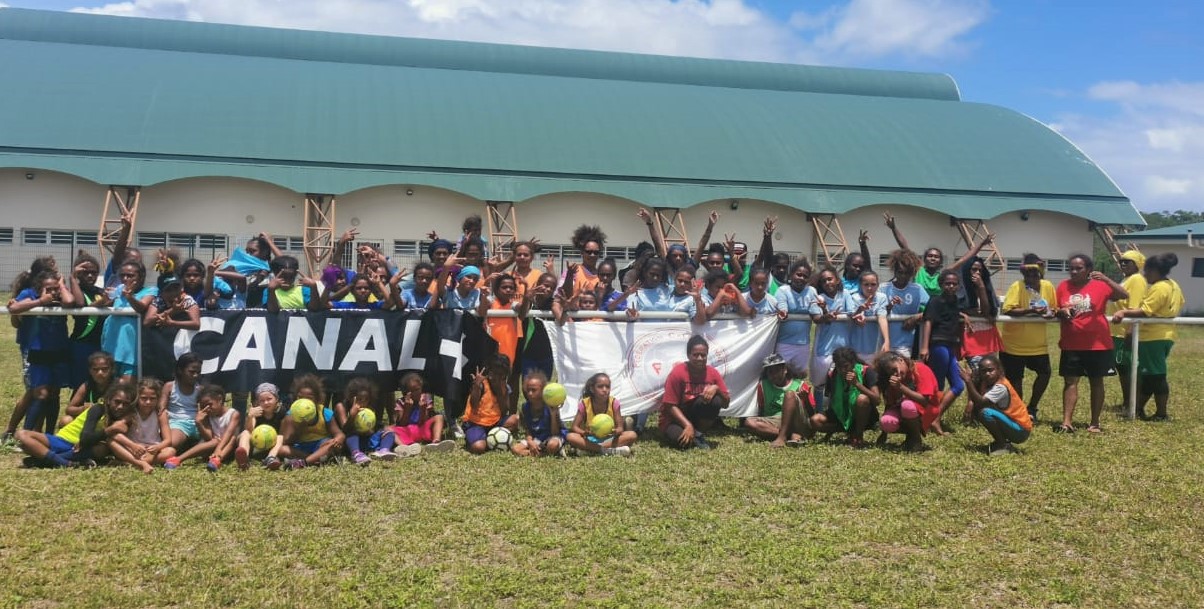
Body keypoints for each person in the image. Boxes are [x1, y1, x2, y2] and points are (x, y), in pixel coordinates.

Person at [1053, 254, 1127, 434]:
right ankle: (1067, 422)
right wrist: (1061, 311)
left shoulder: (1100, 286)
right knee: (1070, 381)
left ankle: (1094, 423)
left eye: (1079, 268)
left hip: (1097, 343)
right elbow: (1055, 308)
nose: (1074, 271)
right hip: (1071, 342)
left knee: (1096, 381)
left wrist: (1106, 279)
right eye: (1071, 268)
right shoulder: (1063, 286)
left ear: (1088, 270)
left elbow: (1123, 294)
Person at [1111, 252, 1185, 421]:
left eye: (1147, 272)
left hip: (1153, 337)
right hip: (1165, 335)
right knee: (1149, 375)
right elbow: (1180, 302)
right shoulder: (1173, 285)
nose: (1145, 275)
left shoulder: (1159, 287)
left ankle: (1161, 414)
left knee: (1156, 376)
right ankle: (1137, 409)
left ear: (1156, 271)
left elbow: (1145, 310)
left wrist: (1123, 311)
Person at [8, 268, 75, 434]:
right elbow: (14, 308)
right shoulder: (31, 296)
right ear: (39, 288)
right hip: (38, 352)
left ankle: (49, 434)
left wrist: (62, 286)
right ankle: (26, 433)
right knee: (40, 393)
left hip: (59, 351)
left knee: (54, 394)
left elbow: (69, 302)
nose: (53, 292)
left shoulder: (61, 298)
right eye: (48, 288)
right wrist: (41, 301)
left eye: (55, 288)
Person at [16, 381, 133, 468]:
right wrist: (110, 430)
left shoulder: (123, 417)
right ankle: (66, 463)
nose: (120, 407)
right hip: (63, 440)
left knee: (103, 449)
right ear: (108, 400)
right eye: (117, 402)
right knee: (22, 436)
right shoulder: (98, 408)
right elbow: (85, 437)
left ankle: (43, 461)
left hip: (82, 449)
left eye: (125, 404)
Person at [883, 211, 993, 298]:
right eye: (930, 256)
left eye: (936, 257)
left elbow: (964, 259)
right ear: (924, 259)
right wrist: (893, 228)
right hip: (918, 315)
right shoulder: (919, 270)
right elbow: (905, 247)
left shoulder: (944, 274)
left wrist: (981, 244)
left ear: (940, 261)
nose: (933, 258)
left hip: (937, 314)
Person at [1000, 254, 1057, 421]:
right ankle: (1019, 411)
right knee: (1016, 379)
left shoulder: (1047, 286)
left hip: (1038, 344)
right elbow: (1008, 309)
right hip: (1014, 344)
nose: (1031, 277)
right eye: (1027, 274)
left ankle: (1032, 407)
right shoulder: (1016, 286)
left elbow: (1054, 307)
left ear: (1041, 273)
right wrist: (1031, 311)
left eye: (1035, 274)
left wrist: (1051, 313)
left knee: (1045, 373)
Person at [658, 335, 730, 450]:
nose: (700, 358)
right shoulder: (677, 373)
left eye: (703, 355)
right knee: (683, 443)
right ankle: (688, 433)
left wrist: (716, 389)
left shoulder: (713, 373)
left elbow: (726, 404)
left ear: (707, 355)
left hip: (693, 415)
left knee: (715, 400)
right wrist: (687, 425)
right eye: (695, 355)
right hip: (673, 419)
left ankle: (698, 434)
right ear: (688, 355)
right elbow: (669, 405)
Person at [919, 270, 965, 435]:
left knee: (959, 385)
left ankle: (935, 418)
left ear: (958, 285)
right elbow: (928, 322)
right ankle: (929, 420)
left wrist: (963, 315)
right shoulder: (935, 301)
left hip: (951, 345)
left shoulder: (956, 302)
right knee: (937, 386)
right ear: (941, 285)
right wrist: (924, 347)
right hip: (938, 345)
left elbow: (953, 315)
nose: (951, 286)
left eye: (954, 283)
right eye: (947, 283)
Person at [960, 355, 1032, 455]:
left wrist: (968, 381)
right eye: (983, 371)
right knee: (981, 410)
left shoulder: (1000, 387)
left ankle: (1003, 445)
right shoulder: (987, 382)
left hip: (1021, 430)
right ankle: (1001, 442)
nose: (987, 374)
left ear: (999, 369)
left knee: (985, 413)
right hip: (1013, 423)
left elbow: (981, 402)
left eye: (991, 370)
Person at [811, 347, 880, 447]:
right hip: (841, 415)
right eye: (839, 367)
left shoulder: (866, 372)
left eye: (846, 366)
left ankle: (858, 434)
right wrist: (829, 433)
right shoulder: (832, 375)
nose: (843, 370)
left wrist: (857, 384)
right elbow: (832, 402)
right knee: (815, 420)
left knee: (862, 399)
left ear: (853, 363)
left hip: (864, 415)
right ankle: (850, 431)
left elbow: (877, 400)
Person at [1106, 249, 1149, 409]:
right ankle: (1127, 402)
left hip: (1125, 332)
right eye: (1121, 261)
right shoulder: (1126, 279)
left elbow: (1135, 307)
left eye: (1127, 261)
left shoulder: (1137, 279)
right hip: (1116, 331)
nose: (1123, 263)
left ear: (1137, 264)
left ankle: (1132, 404)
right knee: (1122, 368)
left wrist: (1130, 332)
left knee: (1128, 370)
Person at [106, 378, 175, 473]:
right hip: (133, 449)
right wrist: (133, 445)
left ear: (158, 398)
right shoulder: (132, 413)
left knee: (170, 451)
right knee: (111, 441)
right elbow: (115, 432)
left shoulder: (160, 414)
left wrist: (157, 448)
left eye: (152, 399)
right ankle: (140, 463)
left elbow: (168, 440)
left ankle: (129, 462)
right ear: (137, 398)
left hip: (152, 450)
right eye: (144, 398)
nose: (148, 402)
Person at [874, 352, 939, 452]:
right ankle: (910, 436)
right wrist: (884, 433)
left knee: (907, 405)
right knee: (886, 422)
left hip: (927, 409)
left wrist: (901, 387)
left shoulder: (920, 369)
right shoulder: (892, 380)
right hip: (904, 411)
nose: (895, 374)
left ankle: (916, 440)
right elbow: (890, 404)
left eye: (895, 369)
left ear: (901, 360)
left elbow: (924, 401)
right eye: (891, 372)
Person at [745, 353, 812, 448]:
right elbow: (762, 409)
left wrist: (805, 400)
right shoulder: (763, 385)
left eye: (776, 371)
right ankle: (790, 435)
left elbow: (812, 415)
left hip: (797, 422)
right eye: (770, 372)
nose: (774, 375)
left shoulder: (800, 385)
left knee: (789, 395)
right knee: (749, 422)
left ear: (785, 370)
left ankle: (782, 438)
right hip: (776, 421)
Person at [66, 250, 111, 388]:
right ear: (78, 273)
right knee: (81, 384)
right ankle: (77, 409)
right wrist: (72, 278)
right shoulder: (75, 289)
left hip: (100, 345)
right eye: (85, 272)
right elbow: (80, 304)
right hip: (81, 344)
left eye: (94, 272)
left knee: (99, 384)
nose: (90, 275)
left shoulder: (100, 291)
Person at [808, 266, 850, 409]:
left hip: (842, 347)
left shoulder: (845, 295)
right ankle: (818, 411)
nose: (827, 283)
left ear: (837, 280)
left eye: (830, 279)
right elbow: (817, 318)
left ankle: (835, 412)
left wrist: (860, 313)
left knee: (840, 381)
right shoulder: (819, 298)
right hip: (824, 348)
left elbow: (852, 312)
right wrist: (826, 313)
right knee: (820, 383)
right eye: (823, 281)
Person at [566, 372, 636, 456]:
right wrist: (585, 433)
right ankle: (610, 450)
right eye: (600, 386)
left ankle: (591, 450)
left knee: (632, 435)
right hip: (590, 438)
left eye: (607, 387)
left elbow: (620, 428)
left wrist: (615, 432)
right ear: (592, 389)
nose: (604, 389)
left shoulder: (614, 403)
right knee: (570, 436)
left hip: (609, 438)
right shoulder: (585, 404)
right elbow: (574, 427)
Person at [463, 353, 520, 454]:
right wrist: (476, 386)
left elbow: (504, 411)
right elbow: (473, 405)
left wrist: (499, 392)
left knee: (515, 419)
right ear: (489, 372)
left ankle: (489, 437)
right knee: (478, 448)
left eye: (501, 376)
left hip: (494, 422)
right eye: (495, 374)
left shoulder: (505, 388)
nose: (497, 378)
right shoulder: (481, 384)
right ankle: (480, 439)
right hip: (476, 423)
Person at [390, 371, 455, 456]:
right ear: (405, 392)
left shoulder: (426, 399)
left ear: (421, 388)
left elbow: (423, 422)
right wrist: (407, 409)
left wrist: (423, 409)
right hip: (407, 432)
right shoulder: (401, 402)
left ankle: (436, 442)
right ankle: (404, 447)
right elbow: (402, 424)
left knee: (439, 417)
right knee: (389, 429)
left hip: (422, 430)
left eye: (417, 390)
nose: (415, 393)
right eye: (411, 391)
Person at [279, 394, 345, 470]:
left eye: (309, 398)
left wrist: (338, 438)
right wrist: (299, 426)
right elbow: (286, 441)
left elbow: (339, 434)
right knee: (282, 449)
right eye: (301, 398)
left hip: (321, 445)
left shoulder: (324, 412)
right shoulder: (292, 414)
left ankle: (304, 462)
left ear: (317, 399)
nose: (305, 401)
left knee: (332, 444)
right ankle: (315, 459)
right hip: (301, 448)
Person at [881, 248, 927, 358]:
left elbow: (933, 308)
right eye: (900, 272)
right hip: (884, 342)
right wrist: (890, 305)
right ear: (894, 271)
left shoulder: (917, 289)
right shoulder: (883, 288)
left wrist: (917, 317)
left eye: (907, 273)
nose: (903, 276)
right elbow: (877, 312)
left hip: (906, 344)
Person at [774, 260, 815, 376]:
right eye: (799, 274)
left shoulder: (811, 291)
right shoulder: (783, 291)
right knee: (781, 376)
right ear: (791, 274)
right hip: (783, 343)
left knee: (800, 376)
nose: (801, 278)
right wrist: (783, 313)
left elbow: (816, 311)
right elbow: (782, 308)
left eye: (805, 276)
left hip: (803, 344)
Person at [334, 377, 386, 466]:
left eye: (366, 399)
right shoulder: (341, 407)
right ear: (350, 398)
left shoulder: (368, 408)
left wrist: (369, 430)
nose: (362, 402)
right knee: (352, 434)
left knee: (387, 432)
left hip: (364, 438)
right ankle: (356, 454)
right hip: (348, 441)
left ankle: (384, 451)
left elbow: (371, 427)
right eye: (359, 399)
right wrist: (352, 415)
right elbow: (345, 430)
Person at [235, 382, 288, 470]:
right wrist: (250, 416)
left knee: (280, 437)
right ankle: (244, 459)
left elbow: (282, 432)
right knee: (245, 433)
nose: (266, 402)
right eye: (262, 400)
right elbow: (249, 430)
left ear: (276, 399)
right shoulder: (256, 412)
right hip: (255, 443)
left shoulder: (281, 412)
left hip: (271, 444)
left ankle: (270, 458)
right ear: (257, 402)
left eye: (269, 399)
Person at [512, 371, 565, 457]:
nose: (530, 393)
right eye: (528, 390)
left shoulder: (550, 406)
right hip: (538, 438)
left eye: (534, 390)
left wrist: (553, 414)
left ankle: (546, 451)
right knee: (515, 449)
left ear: (543, 390)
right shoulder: (525, 407)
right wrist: (530, 442)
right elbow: (528, 430)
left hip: (552, 437)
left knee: (552, 445)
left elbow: (555, 432)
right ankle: (541, 453)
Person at [160, 353, 203, 452]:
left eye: (198, 372)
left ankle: (190, 443)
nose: (195, 375)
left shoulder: (200, 389)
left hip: (197, 423)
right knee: (172, 444)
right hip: (178, 423)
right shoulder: (170, 386)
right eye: (191, 372)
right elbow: (162, 408)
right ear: (180, 370)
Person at [61, 351, 115, 428]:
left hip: (109, 421)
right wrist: (83, 409)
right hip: (89, 421)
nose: (100, 373)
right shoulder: (86, 386)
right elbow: (69, 409)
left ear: (111, 369)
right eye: (95, 369)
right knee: (66, 420)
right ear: (90, 371)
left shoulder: (117, 386)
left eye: (104, 369)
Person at [846, 270, 890, 364]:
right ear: (860, 285)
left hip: (874, 347)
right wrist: (860, 311)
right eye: (866, 284)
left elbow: (882, 318)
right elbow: (854, 316)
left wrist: (886, 340)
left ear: (878, 285)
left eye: (873, 284)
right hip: (856, 347)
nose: (869, 288)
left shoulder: (881, 298)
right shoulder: (854, 298)